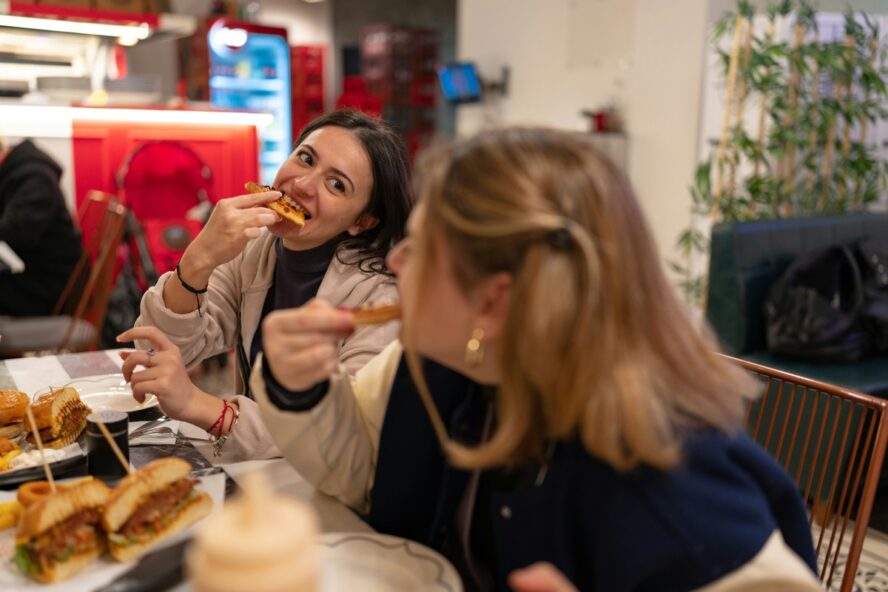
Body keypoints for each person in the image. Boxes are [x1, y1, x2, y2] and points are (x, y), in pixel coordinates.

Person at [248, 128, 821, 591]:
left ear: (493, 302)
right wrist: (301, 388)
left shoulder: (675, 493)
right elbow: (361, 475)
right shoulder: (435, 364)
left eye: (419, 247)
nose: (395, 261)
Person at [118, 110, 413, 460]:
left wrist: (203, 406)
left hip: (322, 492)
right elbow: (162, 349)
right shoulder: (257, 249)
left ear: (362, 222)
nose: (302, 184)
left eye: (336, 184)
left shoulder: (379, 299)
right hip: (255, 471)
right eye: (305, 158)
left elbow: (343, 430)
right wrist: (198, 260)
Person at [0, 137, 83, 316]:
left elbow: (17, 232)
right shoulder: (19, 171)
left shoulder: (34, 175)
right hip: (37, 276)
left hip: (51, 287)